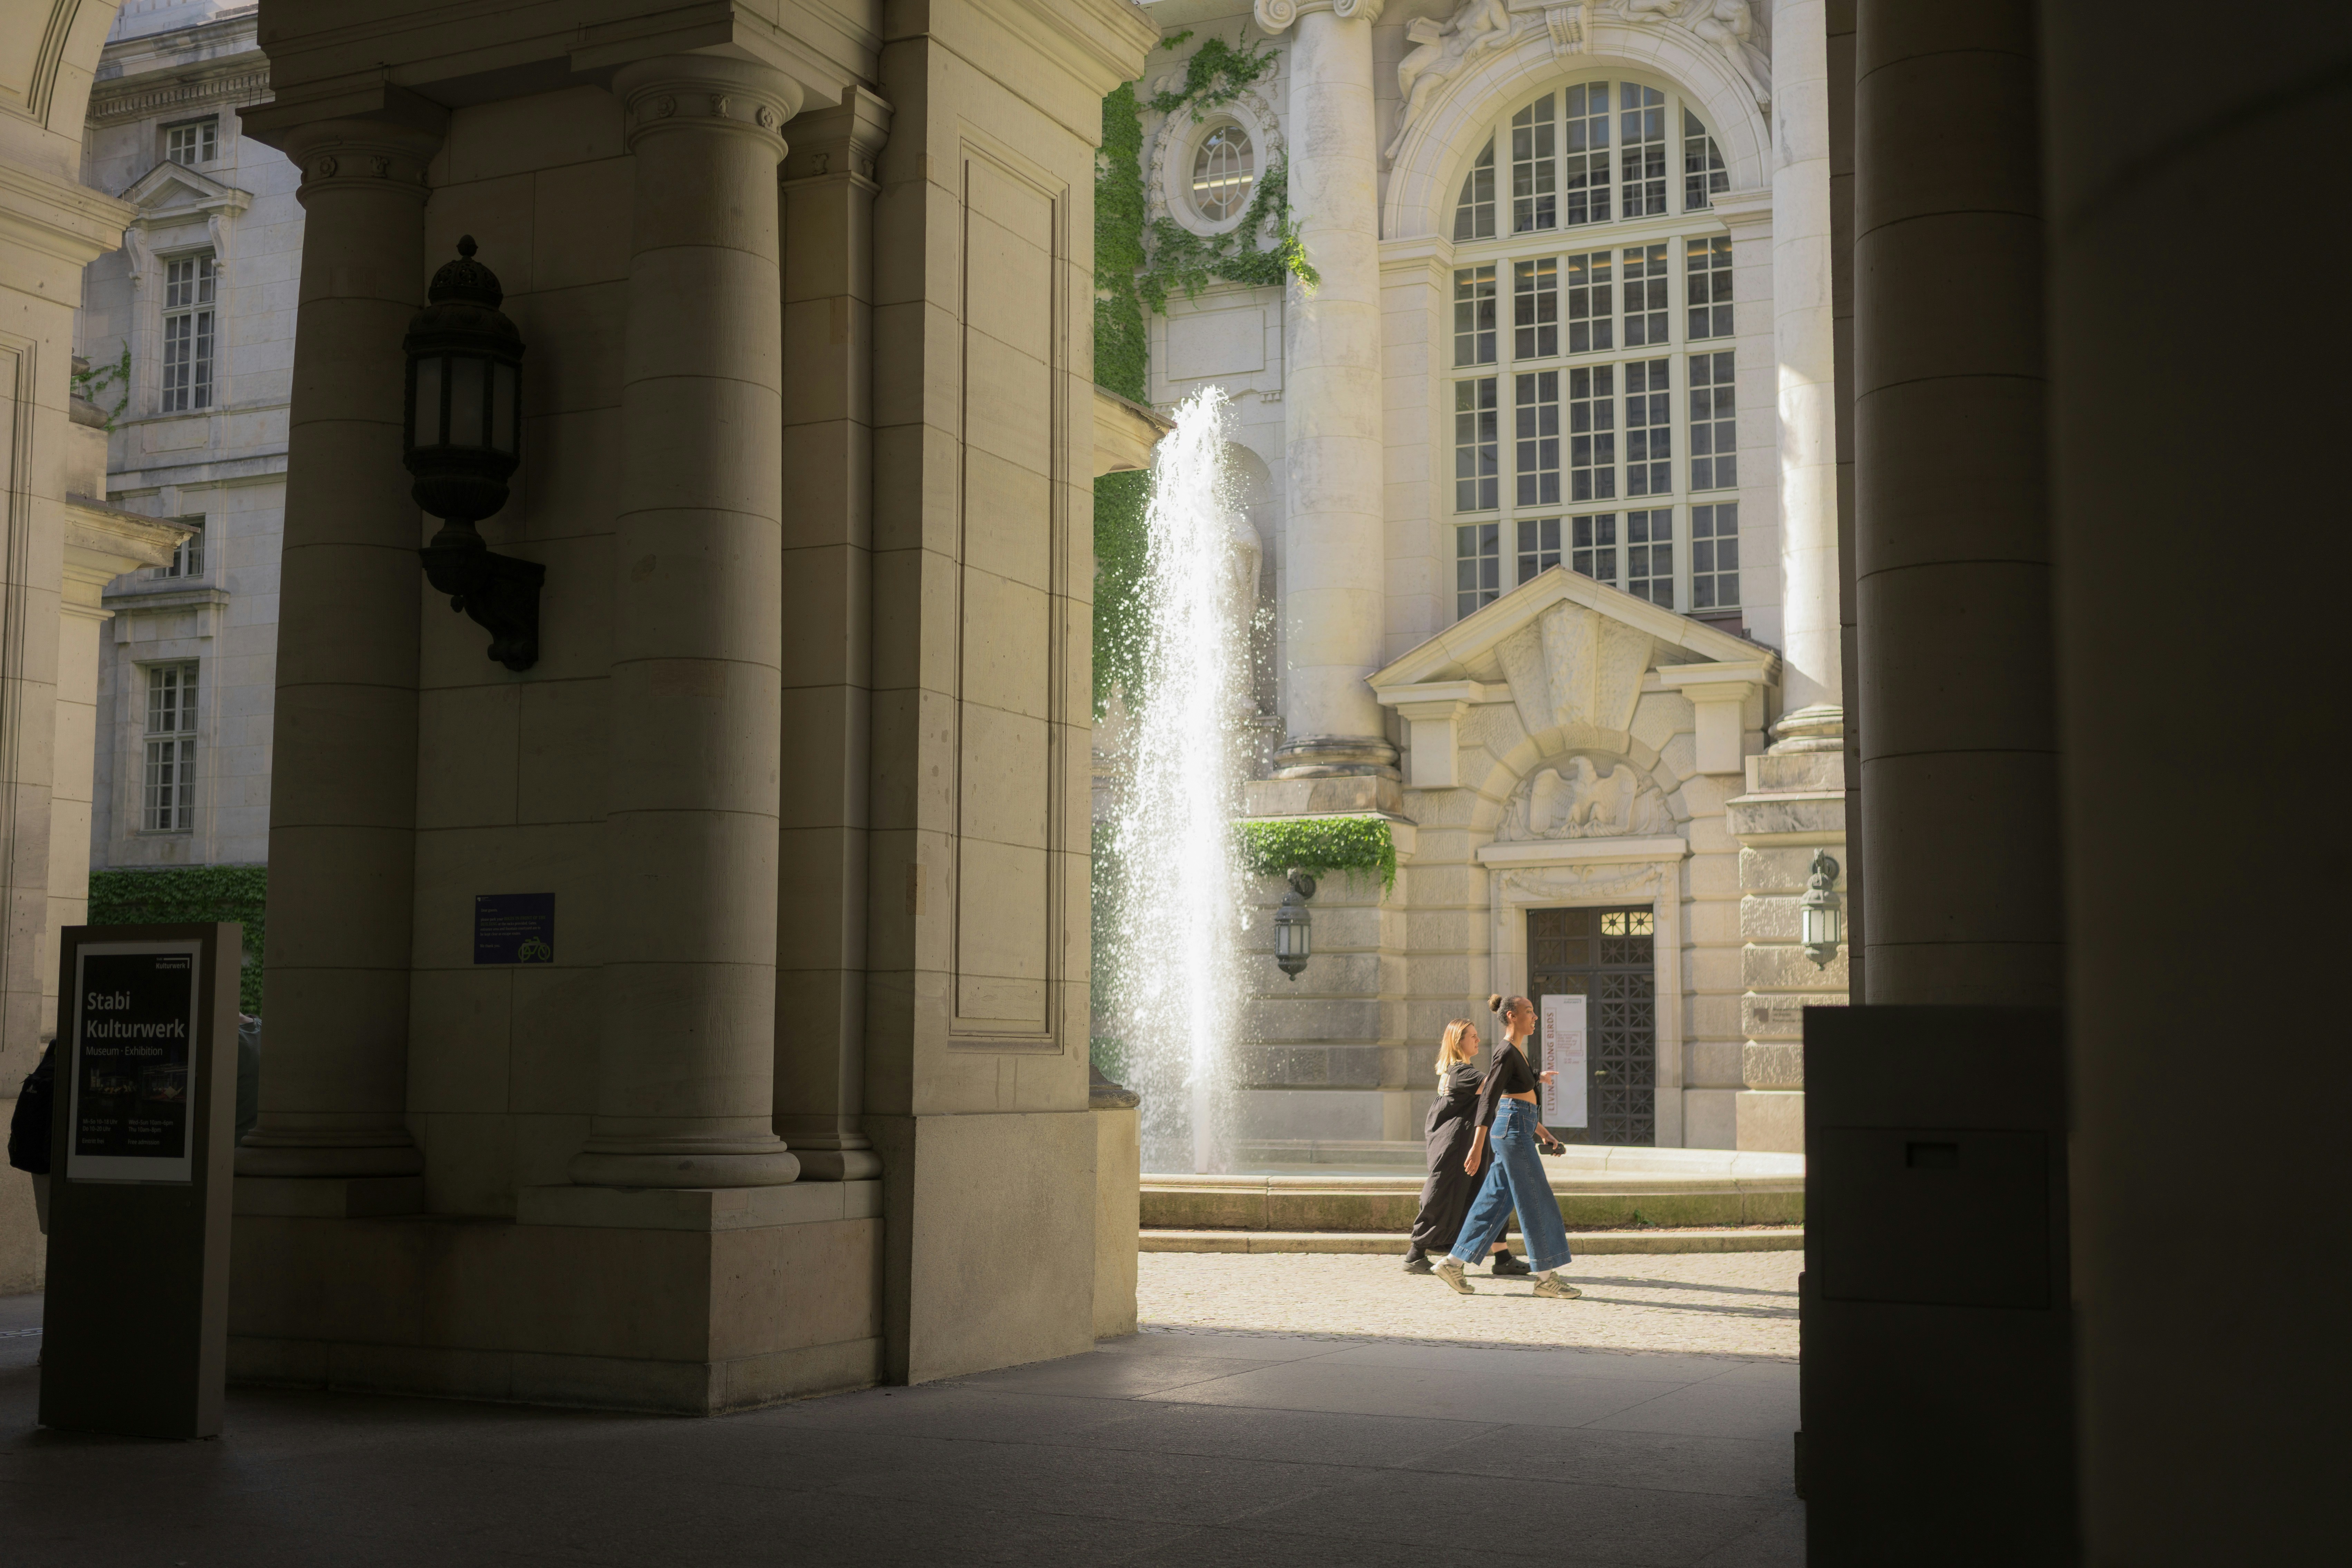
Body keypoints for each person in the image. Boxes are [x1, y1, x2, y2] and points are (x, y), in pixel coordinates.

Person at [1433, 994, 1582, 1299]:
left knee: (1495, 1201)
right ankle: (1546, 1278)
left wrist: (1542, 1131)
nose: (1535, 1016)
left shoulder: (1516, 1052)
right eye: (1529, 1012)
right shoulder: (1505, 1051)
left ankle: (1453, 1263)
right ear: (1512, 1016)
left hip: (1518, 1127)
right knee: (1536, 1199)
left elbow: (1516, 1097)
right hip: (1511, 1130)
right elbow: (1490, 1099)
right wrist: (1476, 1147)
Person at [1402, 1019, 1530, 1276]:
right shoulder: (1461, 1072)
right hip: (1457, 1148)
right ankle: (1415, 1254)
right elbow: (1495, 1085)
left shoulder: (1458, 1072)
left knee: (1487, 1196)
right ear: (1457, 1041)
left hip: (1466, 1145)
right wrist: (1532, 1077)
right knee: (1443, 1197)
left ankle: (1502, 1256)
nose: (1477, 1040)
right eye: (1472, 1036)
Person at [7, 1037, 55, 1237]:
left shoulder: (42, 1073)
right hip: (51, 1154)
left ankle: (48, 1231)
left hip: (34, 1154)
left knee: (48, 1220)